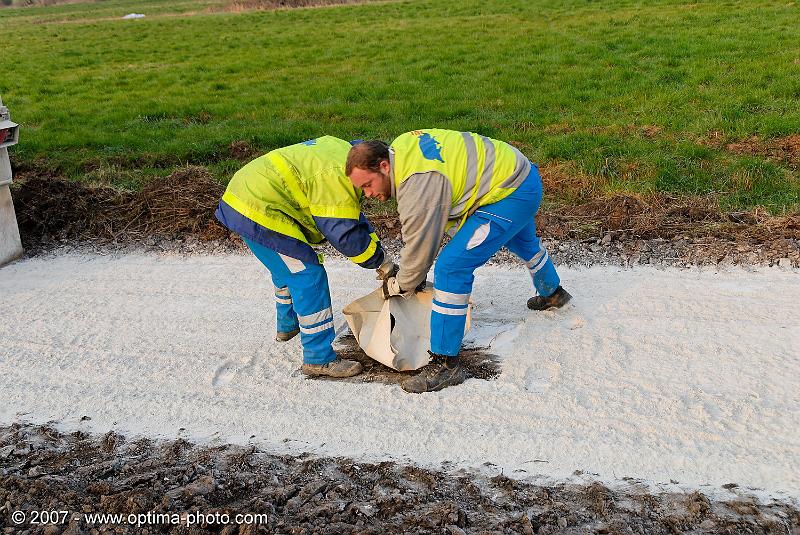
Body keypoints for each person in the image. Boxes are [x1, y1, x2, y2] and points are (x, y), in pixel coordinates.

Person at [346, 129, 571, 393]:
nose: (368, 194)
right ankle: (553, 292)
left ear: (384, 166)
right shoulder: (402, 149)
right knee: (521, 240)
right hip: (519, 176)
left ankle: (446, 364)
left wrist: (400, 285)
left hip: (510, 193)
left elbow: (420, 251)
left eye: (367, 185)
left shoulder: (417, 184)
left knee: (452, 267)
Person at [216, 136, 396, 378]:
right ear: (380, 166)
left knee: (286, 268)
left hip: (247, 196)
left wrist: (381, 255)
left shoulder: (344, 153)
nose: (371, 193)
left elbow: (351, 216)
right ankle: (318, 358)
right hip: (259, 208)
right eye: (367, 187)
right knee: (308, 275)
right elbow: (345, 235)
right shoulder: (338, 178)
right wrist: (379, 261)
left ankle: (288, 326)